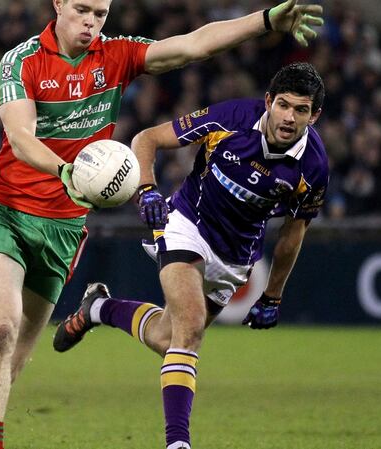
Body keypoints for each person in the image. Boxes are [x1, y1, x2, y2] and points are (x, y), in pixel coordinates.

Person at [0, 1, 324, 448]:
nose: (91, 21)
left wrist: (265, 21)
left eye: (101, 13)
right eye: (82, 9)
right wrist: (65, 172)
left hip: (65, 227)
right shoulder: (21, 60)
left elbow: (192, 45)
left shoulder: (116, 56)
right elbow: (20, 137)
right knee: (1, 329)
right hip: (7, 211)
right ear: (58, 4)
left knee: (7, 362)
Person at [53, 62, 329, 449]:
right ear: (268, 101)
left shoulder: (313, 165)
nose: (289, 117)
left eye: (301, 110)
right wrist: (147, 189)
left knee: (169, 338)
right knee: (192, 325)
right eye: (283, 105)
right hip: (186, 224)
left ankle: (100, 308)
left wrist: (273, 295)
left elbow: (293, 234)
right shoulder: (231, 118)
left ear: (313, 115)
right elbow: (147, 139)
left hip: (235, 257)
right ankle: (178, 443)